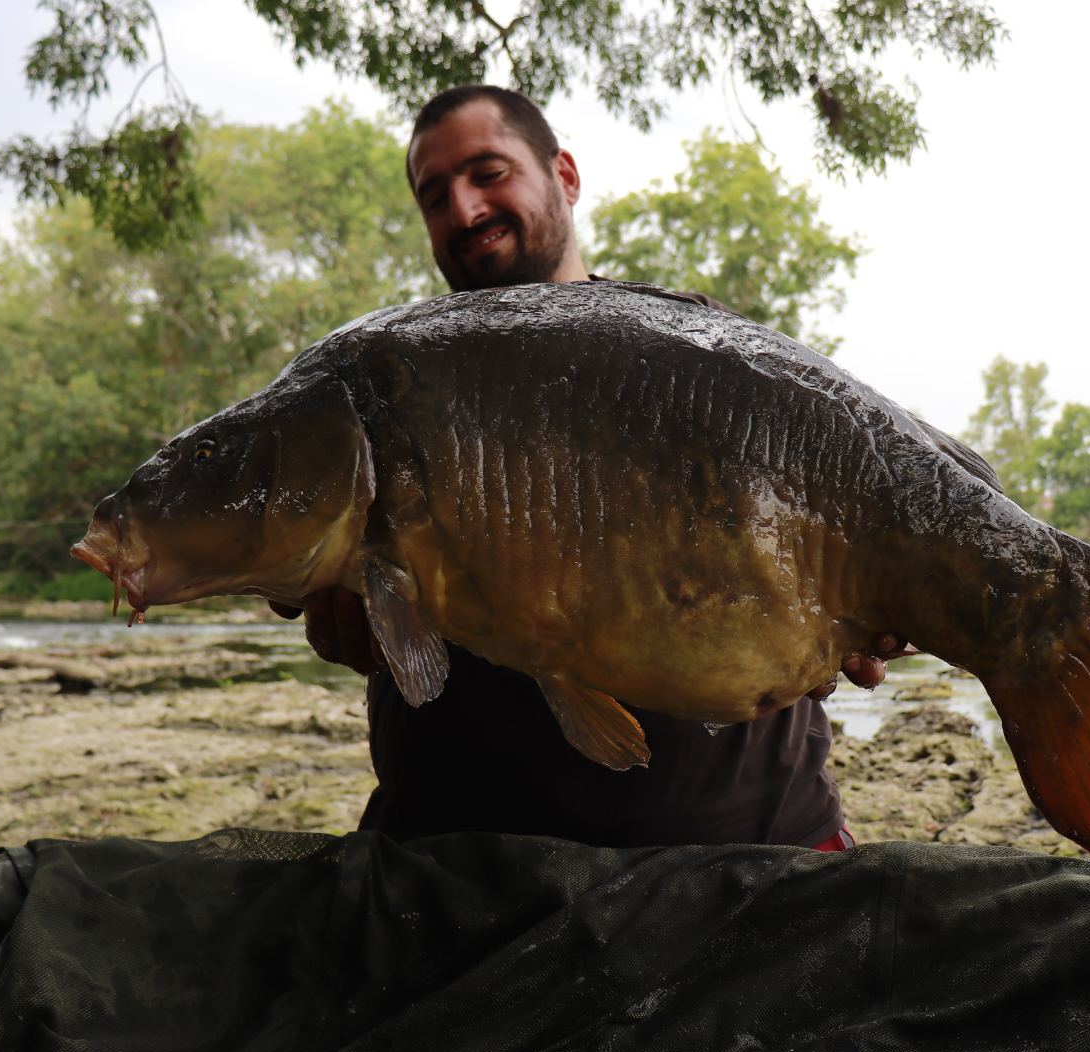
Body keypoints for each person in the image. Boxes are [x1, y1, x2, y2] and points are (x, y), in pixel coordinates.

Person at [277, 84, 909, 849]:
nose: (465, 209)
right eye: (434, 195)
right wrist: (338, 616)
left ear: (564, 176)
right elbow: (300, 576)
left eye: (488, 172)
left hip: (749, 850)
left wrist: (892, 604)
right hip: (449, 863)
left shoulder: (708, 352)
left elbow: (875, 518)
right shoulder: (381, 387)